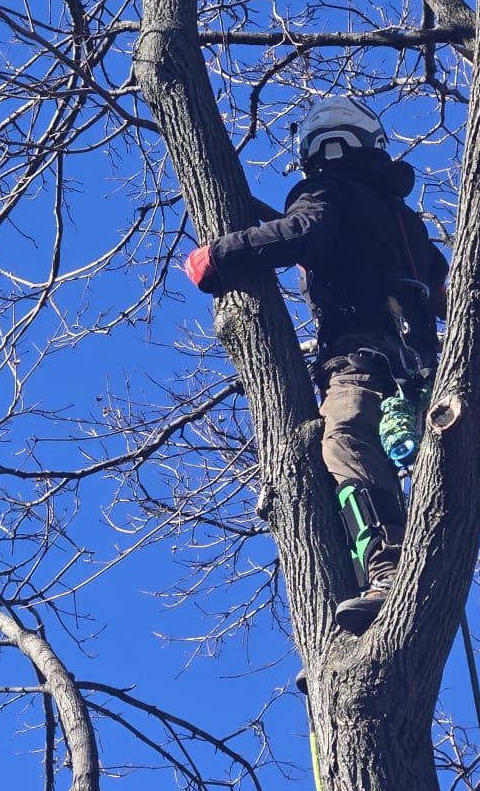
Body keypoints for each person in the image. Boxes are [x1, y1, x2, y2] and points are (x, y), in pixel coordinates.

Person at [183, 96, 447, 633]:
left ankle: (390, 570)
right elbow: (446, 290)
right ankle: (355, 612)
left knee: (344, 442)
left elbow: (301, 233)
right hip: (416, 375)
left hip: (361, 356)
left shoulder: (325, 191)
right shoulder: (407, 224)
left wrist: (219, 255)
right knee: (355, 468)